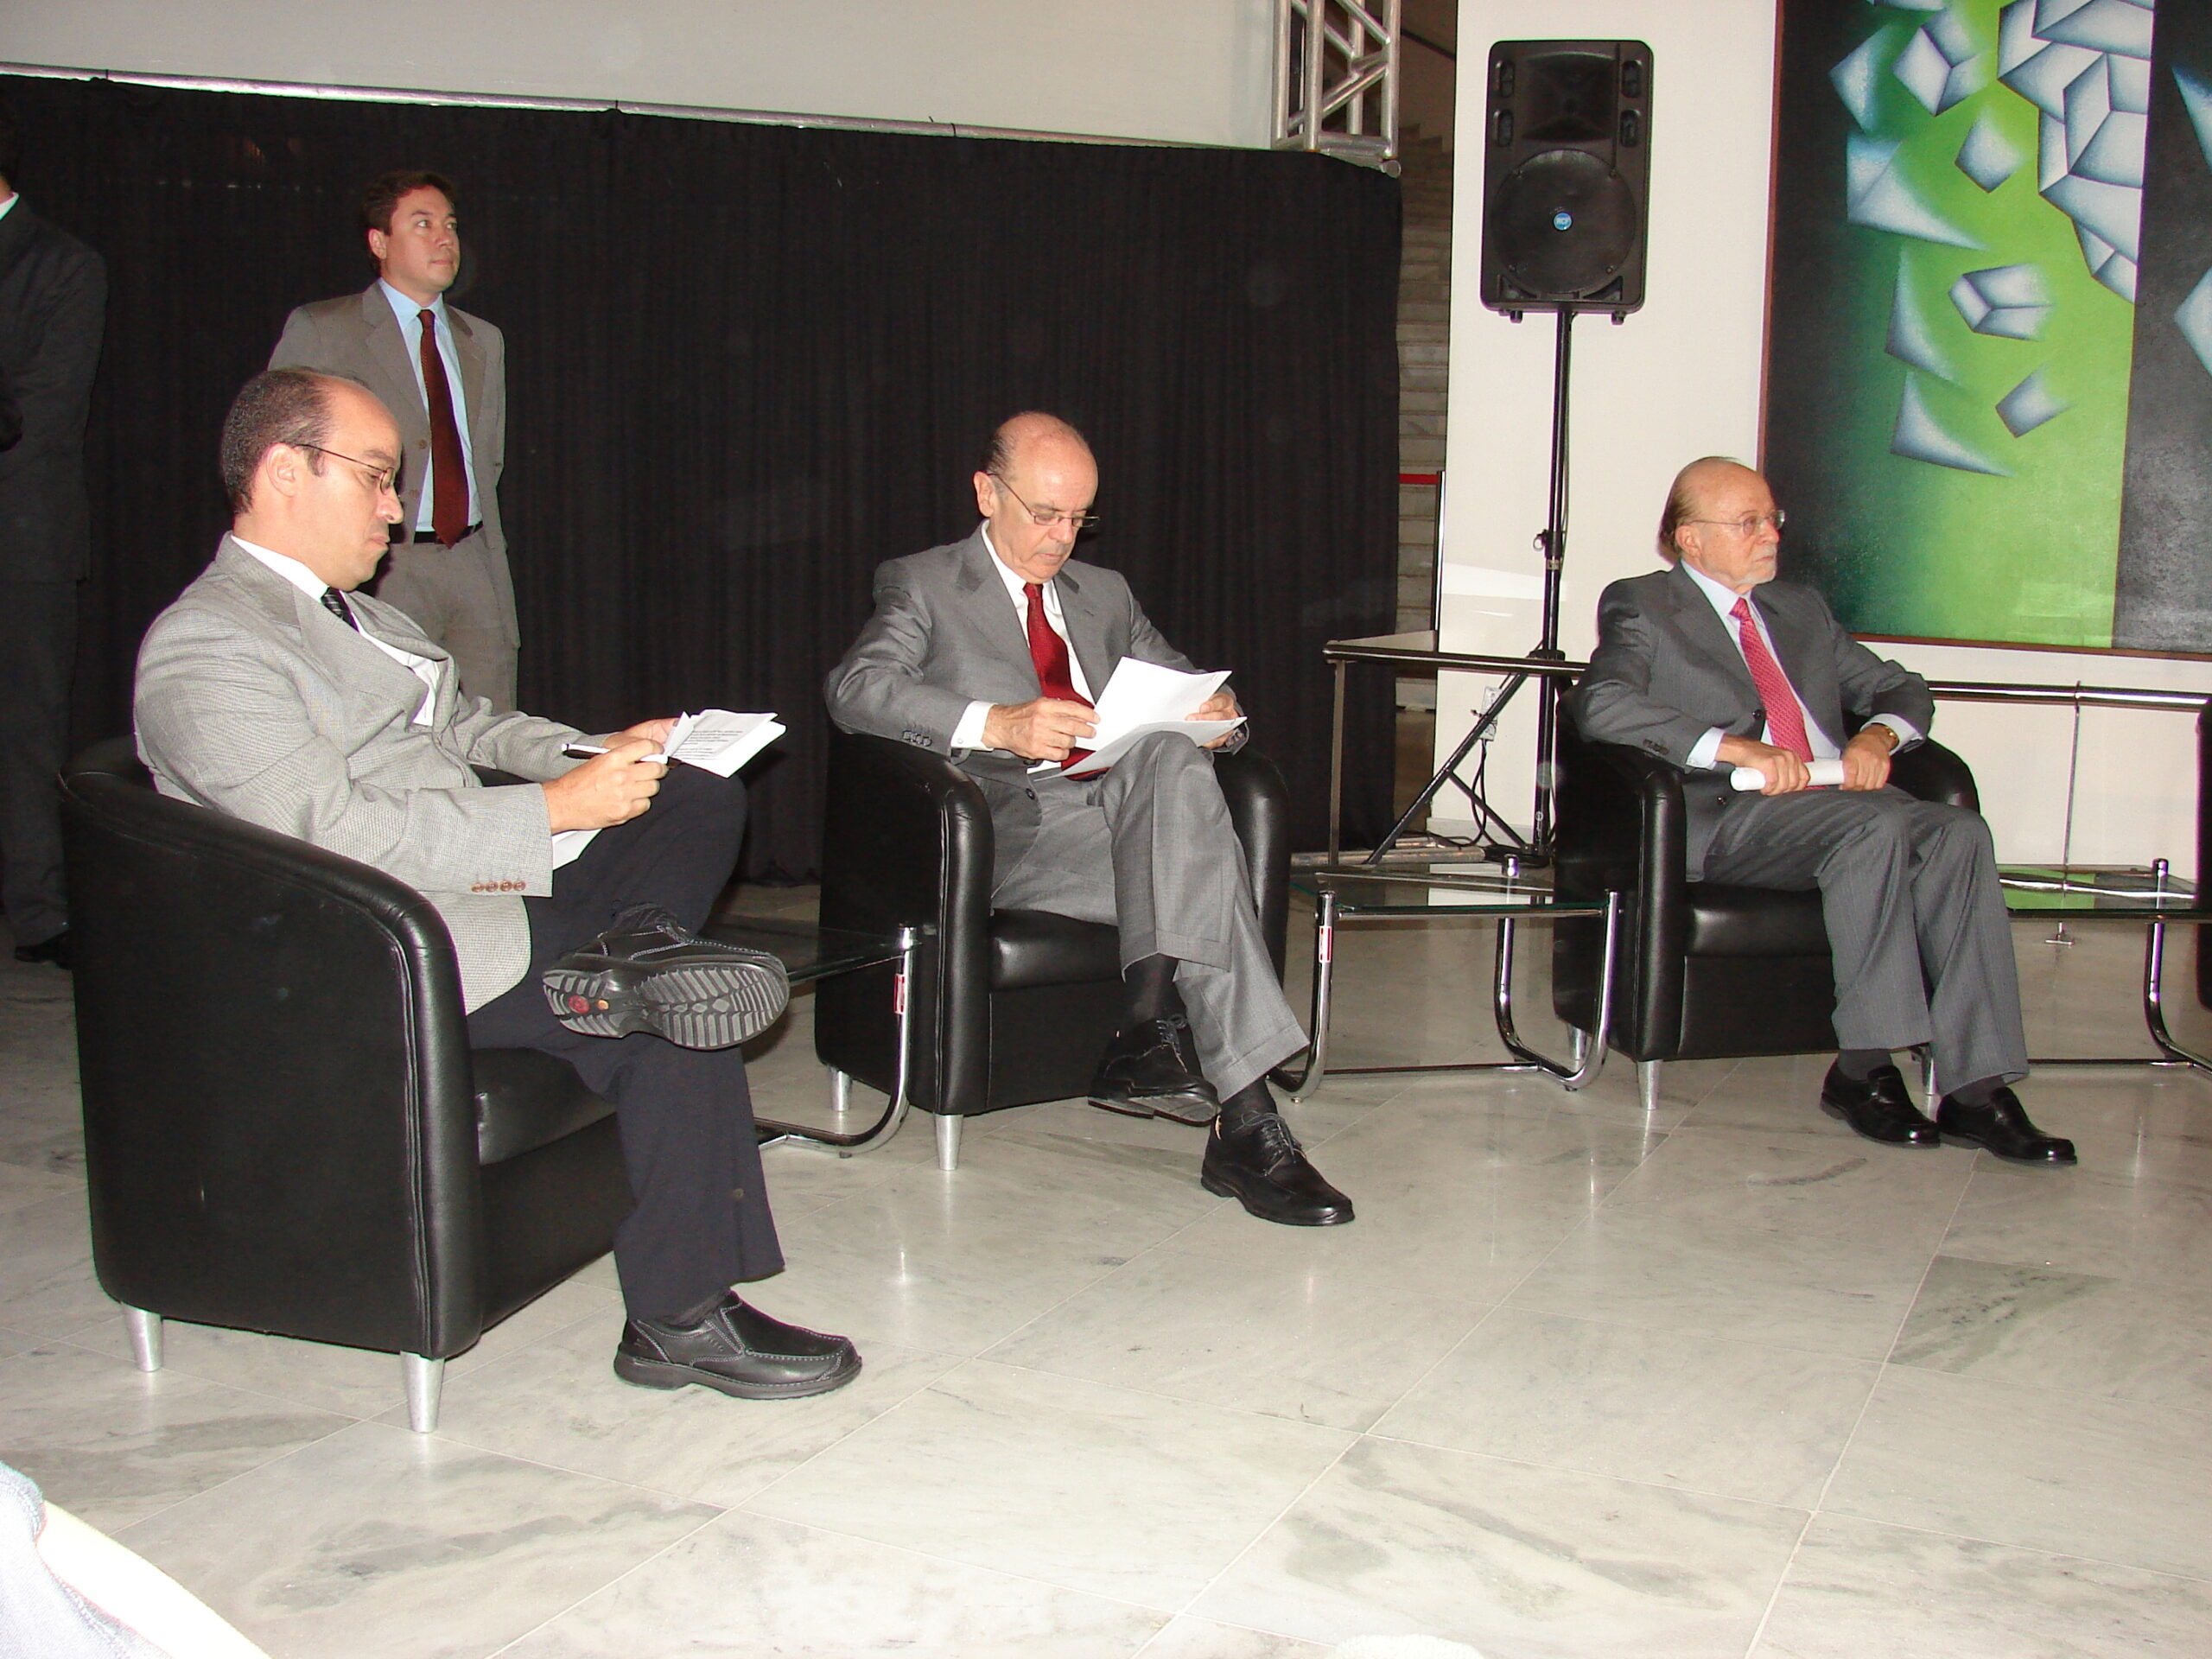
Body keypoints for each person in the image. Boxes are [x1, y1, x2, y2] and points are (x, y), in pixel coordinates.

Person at [136, 367, 861, 1399]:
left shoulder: (363, 618)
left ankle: (626, 957)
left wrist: (592, 751)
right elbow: (325, 834)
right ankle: (680, 1313)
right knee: (676, 1008)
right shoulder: (208, 643)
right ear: (284, 471)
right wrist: (553, 814)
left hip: (465, 885)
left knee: (695, 797)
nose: (398, 509)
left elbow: (470, 726)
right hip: (370, 950)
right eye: (378, 478)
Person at [825, 411, 1352, 1224]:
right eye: (1044, 513)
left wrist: (1220, 711)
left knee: (1175, 760)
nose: (1062, 537)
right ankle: (1243, 1122)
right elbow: (856, 689)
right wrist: (995, 722)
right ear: (986, 493)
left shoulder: (1105, 596)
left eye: (1079, 518)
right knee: (1204, 866)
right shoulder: (924, 582)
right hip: (1009, 823)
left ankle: (1154, 1032)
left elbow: (1190, 688)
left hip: (1126, 807)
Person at [1569, 455, 2073, 1165]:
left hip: (1837, 805)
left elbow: (1903, 689)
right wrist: (1736, 749)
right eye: (1748, 523)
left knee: (1960, 833)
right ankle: (1864, 1070)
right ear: (1691, 538)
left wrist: (1877, 734)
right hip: (1729, 816)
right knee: (1879, 823)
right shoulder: (1645, 604)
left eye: (1773, 518)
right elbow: (1603, 704)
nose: (1770, 534)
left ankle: (1977, 1089)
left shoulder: (1800, 609)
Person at [270, 169, 519, 709]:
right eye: (422, 224)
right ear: (380, 242)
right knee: (388, 729)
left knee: (493, 730)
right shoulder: (325, 330)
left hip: (472, 556)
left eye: (450, 225)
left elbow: (489, 459)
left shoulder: (484, 340)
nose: (444, 238)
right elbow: (282, 456)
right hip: (383, 563)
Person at [0, 111, 105, 969]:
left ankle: (37, 908)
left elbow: (42, 414)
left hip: (20, 541)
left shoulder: (60, 263)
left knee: (24, 728)